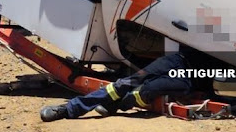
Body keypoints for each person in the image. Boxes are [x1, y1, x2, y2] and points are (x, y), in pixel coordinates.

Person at [40, 50, 195, 122]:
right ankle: (68, 109)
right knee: (125, 83)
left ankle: (116, 104)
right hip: (177, 59)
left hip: (191, 77)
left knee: (144, 91)